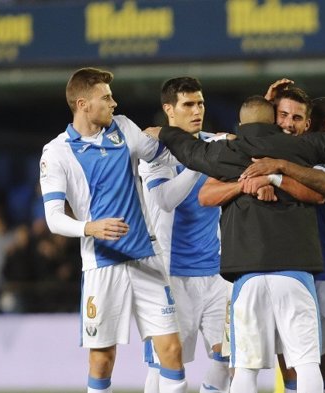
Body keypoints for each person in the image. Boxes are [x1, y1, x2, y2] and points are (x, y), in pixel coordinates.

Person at [143, 92, 325, 393]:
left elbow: (191, 151)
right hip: (295, 272)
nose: (288, 123)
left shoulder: (227, 152)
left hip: (245, 274)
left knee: (245, 368)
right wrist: (257, 180)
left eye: (296, 117)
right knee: (305, 363)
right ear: (274, 120)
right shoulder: (302, 149)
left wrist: (166, 132)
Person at [39, 67, 187, 393]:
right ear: (83, 104)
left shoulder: (122, 128)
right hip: (102, 266)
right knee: (102, 359)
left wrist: (196, 139)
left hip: (147, 258)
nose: (114, 103)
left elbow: (163, 152)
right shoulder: (57, 151)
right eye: (105, 98)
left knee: (172, 351)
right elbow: (53, 218)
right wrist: (90, 227)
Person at [240, 97, 325, 393]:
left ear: (320, 124)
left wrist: (278, 168)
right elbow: (256, 137)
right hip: (308, 276)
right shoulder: (306, 160)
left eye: (305, 120)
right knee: (316, 368)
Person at [138, 77, 231, 393]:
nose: (197, 110)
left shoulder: (214, 142)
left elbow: (250, 142)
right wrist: (198, 161)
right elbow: (165, 199)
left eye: (200, 103)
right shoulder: (155, 151)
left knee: (229, 359)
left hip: (217, 274)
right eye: (188, 104)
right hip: (170, 276)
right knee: (165, 367)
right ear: (169, 110)